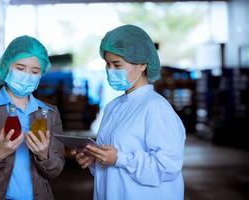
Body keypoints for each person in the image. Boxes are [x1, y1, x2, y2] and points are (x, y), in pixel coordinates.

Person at [71, 25, 186, 200]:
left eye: (117, 64)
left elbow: (167, 166)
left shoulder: (156, 108)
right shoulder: (113, 107)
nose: (110, 71)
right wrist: (95, 159)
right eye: (107, 64)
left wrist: (120, 159)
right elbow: (111, 162)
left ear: (142, 65)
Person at [0, 35, 65, 200]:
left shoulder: (50, 113)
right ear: (6, 66)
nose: (27, 75)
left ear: (41, 74)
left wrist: (44, 155)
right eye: (20, 68)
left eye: (34, 71)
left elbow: (56, 170)